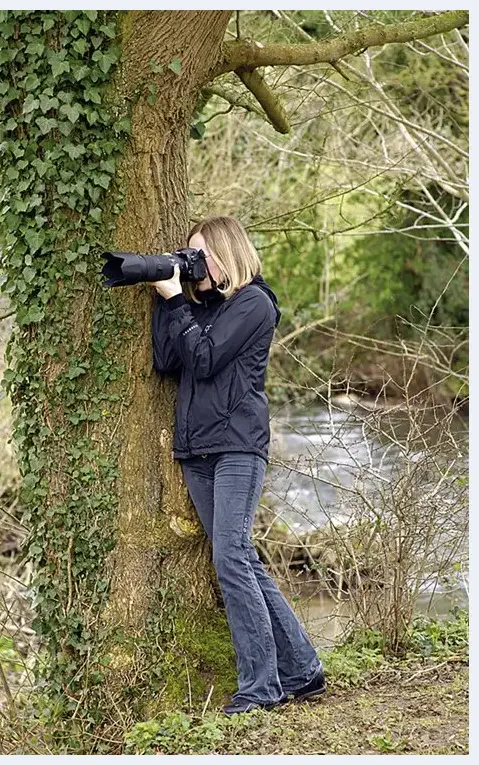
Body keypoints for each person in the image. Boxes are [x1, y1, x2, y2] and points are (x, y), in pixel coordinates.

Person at [150, 216, 325, 717]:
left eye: (202, 255)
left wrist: (178, 302)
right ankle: (303, 670)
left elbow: (203, 360)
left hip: (237, 447)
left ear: (228, 253)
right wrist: (172, 298)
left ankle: (261, 686)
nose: (196, 264)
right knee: (241, 559)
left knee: (231, 557)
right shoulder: (202, 307)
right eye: (191, 255)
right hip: (196, 450)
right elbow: (167, 360)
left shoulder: (254, 304)